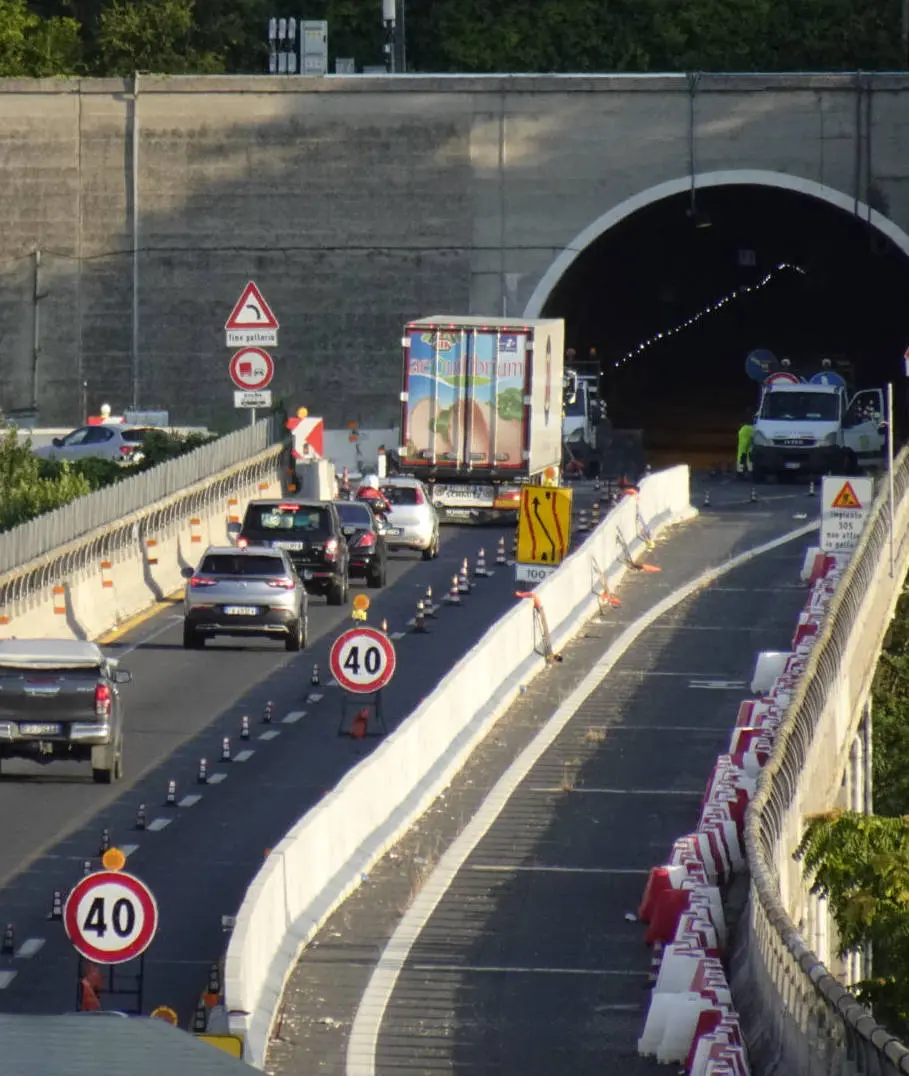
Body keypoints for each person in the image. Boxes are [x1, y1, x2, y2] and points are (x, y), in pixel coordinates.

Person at [736, 411, 754, 478]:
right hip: (751, 429)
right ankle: (746, 471)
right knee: (747, 453)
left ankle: (741, 471)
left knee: (744, 453)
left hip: (747, 429)